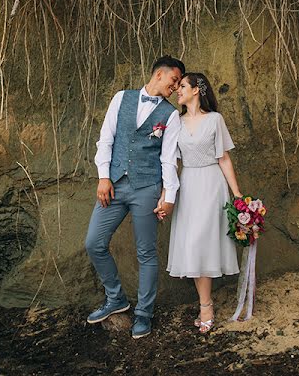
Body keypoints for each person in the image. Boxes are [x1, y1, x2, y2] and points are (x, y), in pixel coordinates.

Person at [84, 55, 185, 339]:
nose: (176, 88)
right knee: (94, 242)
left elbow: (169, 160)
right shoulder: (121, 98)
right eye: (174, 80)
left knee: (146, 253)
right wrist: (103, 177)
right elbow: (106, 139)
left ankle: (143, 314)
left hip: (147, 188)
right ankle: (115, 298)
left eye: (179, 84)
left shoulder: (171, 115)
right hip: (114, 184)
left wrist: (169, 197)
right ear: (159, 75)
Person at [161, 72, 242, 334]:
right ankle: (205, 304)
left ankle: (205, 306)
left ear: (196, 90)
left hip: (212, 184)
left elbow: (224, 159)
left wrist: (238, 196)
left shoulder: (215, 120)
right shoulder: (176, 121)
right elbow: (171, 163)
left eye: (182, 86)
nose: (177, 90)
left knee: (202, 242)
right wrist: (166, 195)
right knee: (193, 244)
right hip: (189, 186)